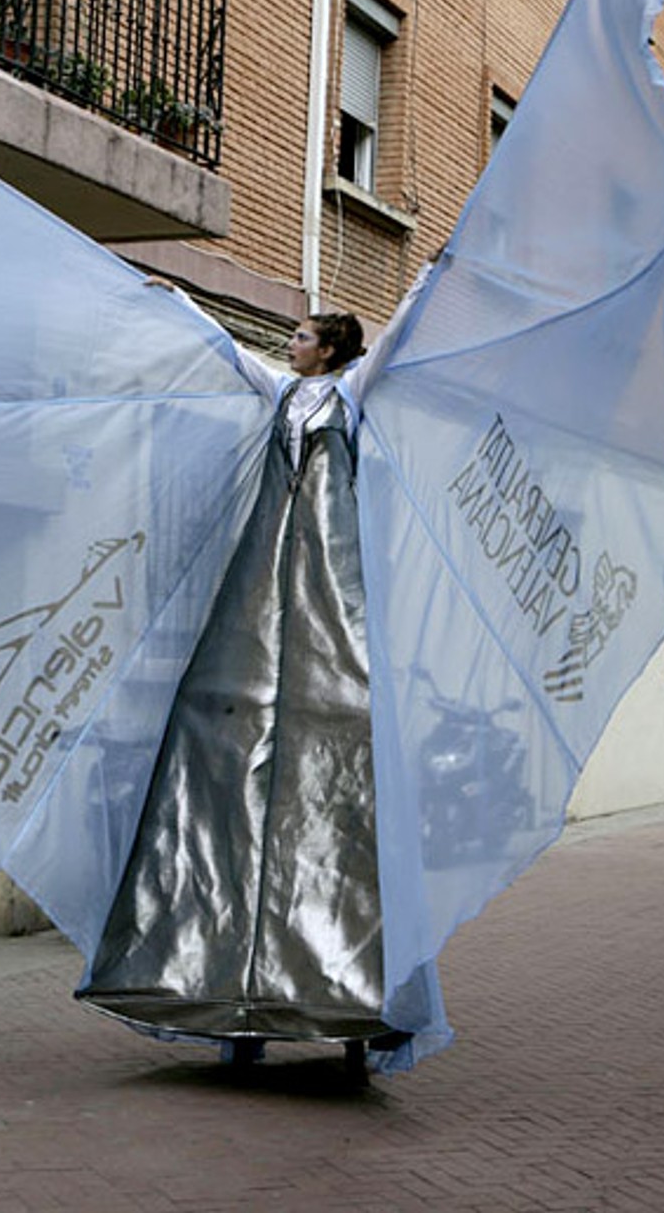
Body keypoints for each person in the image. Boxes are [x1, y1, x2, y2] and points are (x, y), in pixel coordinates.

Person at [76, 293, 418, 1076]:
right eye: (292, 336)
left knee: (335, 791)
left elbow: (393, 348)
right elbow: (235, 358)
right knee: (229, 778)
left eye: (301, 336)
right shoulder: (285, 394)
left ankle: (347, 999)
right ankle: (232, 996)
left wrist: (428, 285)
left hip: (329, 586)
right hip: (270, 576)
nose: (290, 343)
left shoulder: (348, 396)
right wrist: (181, 304)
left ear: (329, 351)